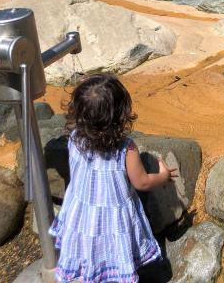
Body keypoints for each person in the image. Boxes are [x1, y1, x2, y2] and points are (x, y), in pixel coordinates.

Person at [49, 74, 178, 283]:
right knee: (114, 259)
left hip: (82, 217)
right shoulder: (126, 149)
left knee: (90, 258)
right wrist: (163, 177)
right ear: (120, 114)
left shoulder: (74, 139)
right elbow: (142, 182)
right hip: (113, 222)